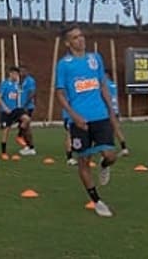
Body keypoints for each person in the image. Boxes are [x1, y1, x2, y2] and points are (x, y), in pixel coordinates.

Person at [55, 26, 118, 218]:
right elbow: (60, 93)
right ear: (68, 43)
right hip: (79, 120)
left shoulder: (95, 59)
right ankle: (97, 201)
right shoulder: (64, 64)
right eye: (75, 37)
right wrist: (73, 115)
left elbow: (103, 87)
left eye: (81, 36)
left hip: (100, 115)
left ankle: (105, 165)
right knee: (84, 161)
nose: (80, 39)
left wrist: (111, 112)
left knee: (110, 155)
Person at [0, 67, 36, 159]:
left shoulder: (16, 85)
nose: (16, 76)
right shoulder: (4, 84)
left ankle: (19, 136)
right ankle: (3, 152)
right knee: (6, 131)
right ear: (10, 74)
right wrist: (5, 108)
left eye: (17, 74)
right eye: (14, 74)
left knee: (27, 119)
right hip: (6, 111)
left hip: (15, 110)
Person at [104, 69, 129, 156]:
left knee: (105, 130)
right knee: (116, 129)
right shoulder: (113, 84)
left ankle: (108, 148)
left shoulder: (105, 84)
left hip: (108, 110)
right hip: (115, 110)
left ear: (106, 75)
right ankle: (124, 148)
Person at [18, 64, 37, 148]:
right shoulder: (20, 81)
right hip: (21, 106)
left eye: (23, 71)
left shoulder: (30, 80)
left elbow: (32, 93)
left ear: (26, 71)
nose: (21, 73)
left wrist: (25, 105)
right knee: (23, 126)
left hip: (27, 107)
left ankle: (30, 146)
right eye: (20, 71)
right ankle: (26, 145)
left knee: (26, 126)